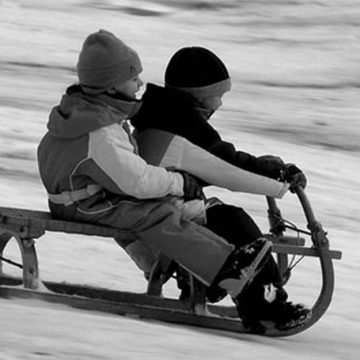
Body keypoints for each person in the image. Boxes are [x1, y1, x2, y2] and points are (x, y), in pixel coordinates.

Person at [36, 30, 282, 326]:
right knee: (158, 216)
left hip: (80, 197)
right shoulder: (100, 131)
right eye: (133, 78)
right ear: (112, 86)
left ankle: (206, 273)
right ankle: (225, 271)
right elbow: (137, 181)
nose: (140, 84)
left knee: (162, 210)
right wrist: (178, 182)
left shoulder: (85, 115)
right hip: (89, 203)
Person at [131, 46, 310, 332]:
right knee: (235, 223)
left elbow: (209, 162)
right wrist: (280, 177)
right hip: (163, 217)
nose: (221, 104)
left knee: (220, 216)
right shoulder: (182, 124)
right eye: (219, 95)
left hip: (161, 208)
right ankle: (266, 309)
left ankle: (203, 284)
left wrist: (264, 166)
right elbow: (227, 167)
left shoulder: (161, 115)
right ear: (198, 94)